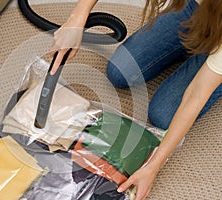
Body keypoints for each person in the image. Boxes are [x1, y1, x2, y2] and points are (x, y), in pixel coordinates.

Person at [51, 0, 222, 199]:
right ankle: (197, 44)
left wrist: (153, 167)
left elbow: (196, 95)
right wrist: (77, 17)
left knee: (163, 114)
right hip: (196, 7)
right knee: (120, 72)